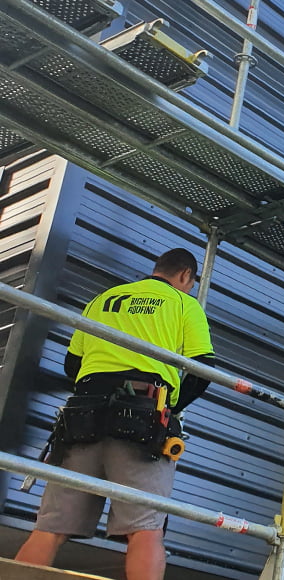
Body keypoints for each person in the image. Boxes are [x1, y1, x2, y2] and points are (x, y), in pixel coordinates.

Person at [15, 248, 216, 580]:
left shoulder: (104, 299)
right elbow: (203, 369)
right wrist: (170, 407)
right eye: (190, 283)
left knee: (50, 528)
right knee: (145, 529)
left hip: (82, 415)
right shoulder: (184, 303)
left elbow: (72, 364)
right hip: (142, 416)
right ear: (185, 276)